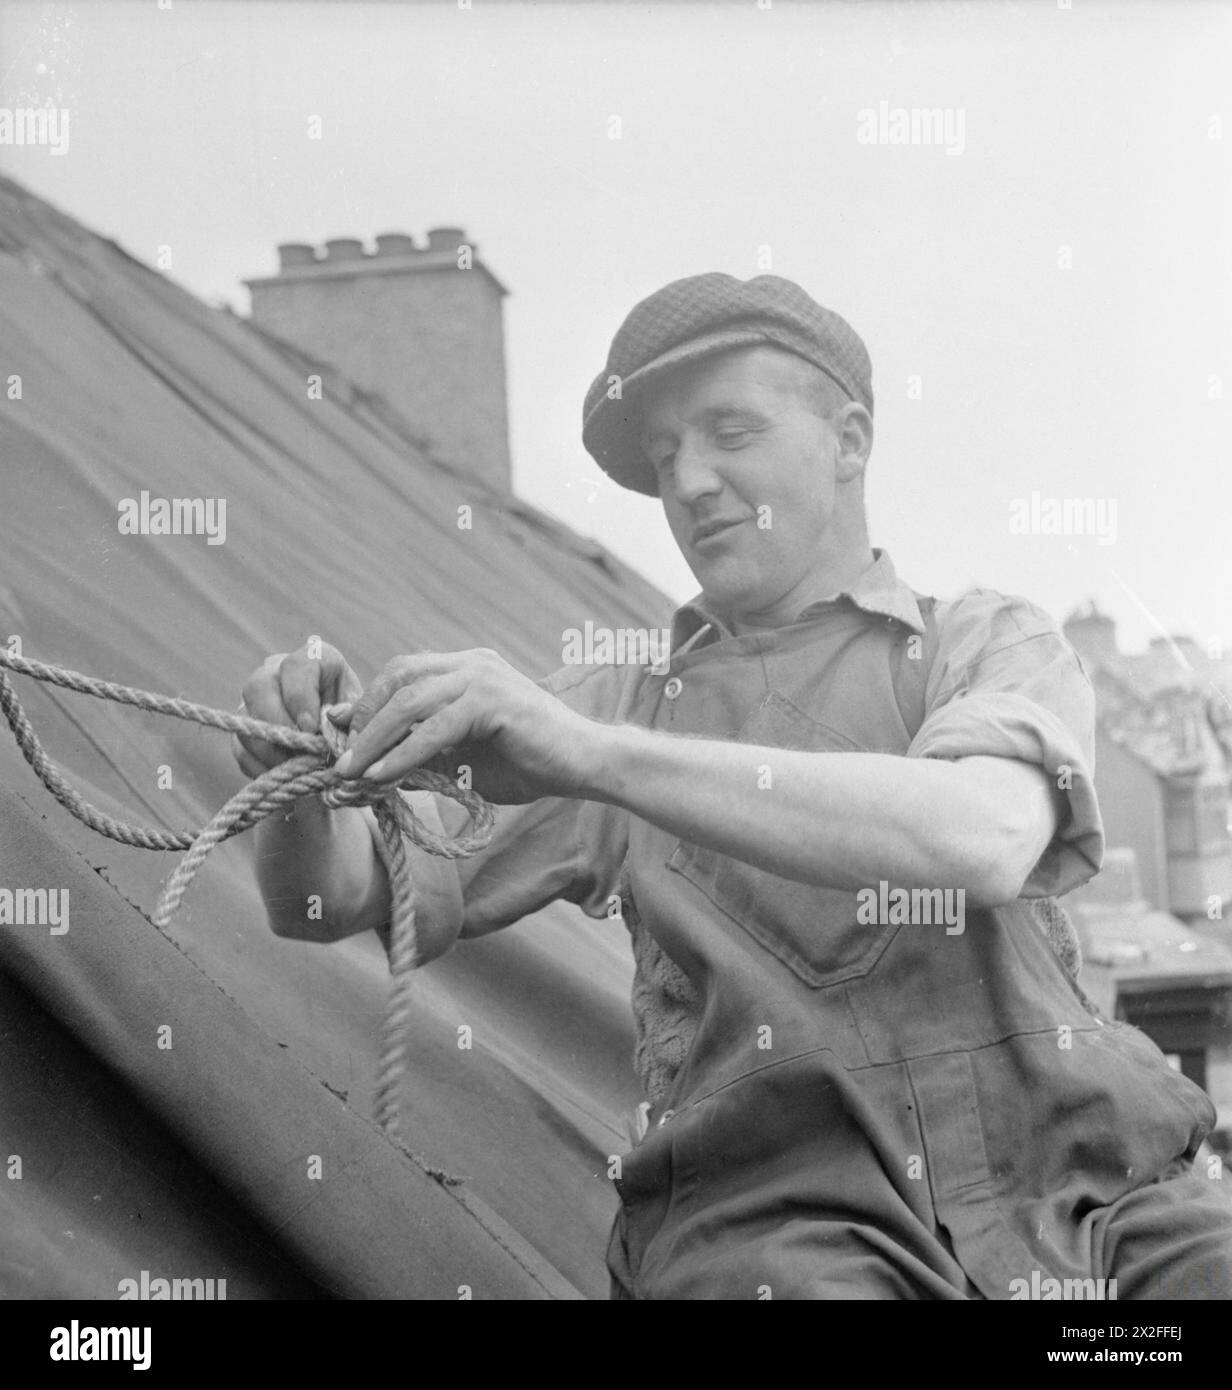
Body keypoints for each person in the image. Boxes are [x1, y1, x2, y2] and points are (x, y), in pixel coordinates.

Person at [234, 272, 1232, 1300]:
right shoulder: (609, 705)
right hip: (779, 1238)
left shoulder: (981, 643)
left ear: (847, 441)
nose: (690, 481)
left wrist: (589, 754)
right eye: (664, 456)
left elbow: (978, 840)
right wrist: (298, 782)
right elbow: (329, 899)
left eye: (728, 431)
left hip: (1094, 1207)